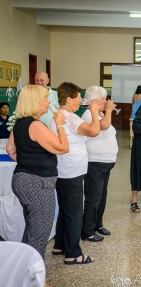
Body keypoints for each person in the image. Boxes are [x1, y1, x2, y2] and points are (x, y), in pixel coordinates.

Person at [6, 85, 69, 287]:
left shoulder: (20, 125)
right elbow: (62, 147)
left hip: (23, 180)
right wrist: (60, 125)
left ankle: (22, 274)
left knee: (32, 230)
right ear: (34, 101)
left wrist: (29, 162)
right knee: (39, 235)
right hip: (37, 184)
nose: (49, 102)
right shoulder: (35, 126)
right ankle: (35, 284)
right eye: (45, 99)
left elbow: (10, 150)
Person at [50, 82, 100, 263]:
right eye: (79, 97)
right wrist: (94, 112)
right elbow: (94, 130)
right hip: (71, 171)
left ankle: (60, 245)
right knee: (74, 212)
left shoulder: (61, 115)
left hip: (65, 169)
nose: (81, 100)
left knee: (65, 210)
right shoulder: (68, 117)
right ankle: (73, 254)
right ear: (69, 99)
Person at [81, 86, 118, 240]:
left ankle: (98, 224)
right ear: (94, 100)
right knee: (94, 198)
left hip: (106, 163)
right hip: (95, 163)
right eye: (103, 99)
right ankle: (88, 231)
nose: (106, 101)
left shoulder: (99, 113)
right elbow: (103, 126)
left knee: (102, 196)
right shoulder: (89, 114)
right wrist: (109, 111)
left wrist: (106, 112)